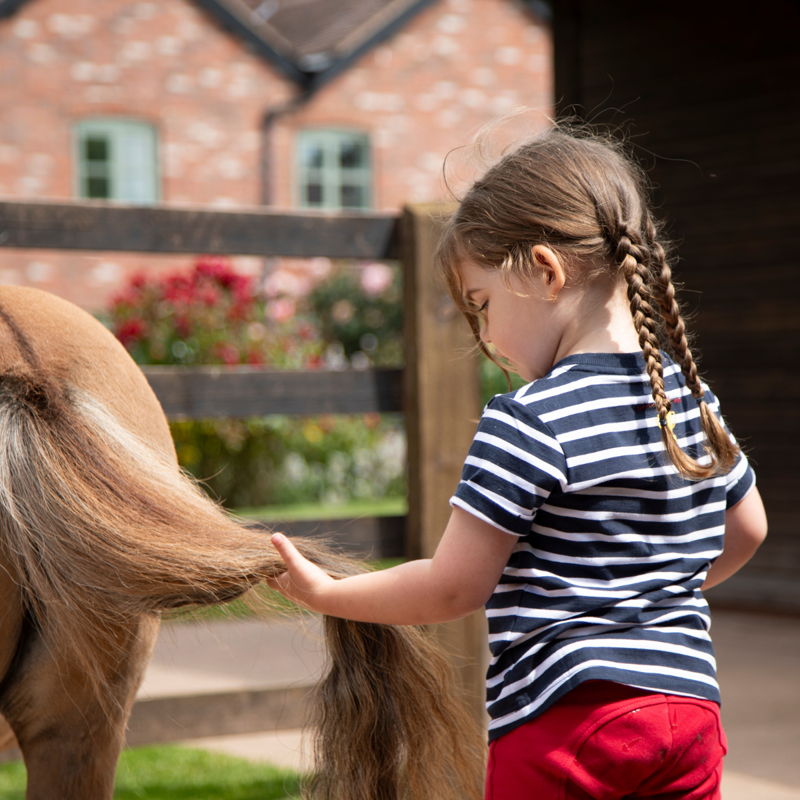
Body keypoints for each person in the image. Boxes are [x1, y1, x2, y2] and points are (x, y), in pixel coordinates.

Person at [267, 124, 768, 799]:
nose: (487, 337)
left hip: (566, 721)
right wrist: (645, 598)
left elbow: (453, 587)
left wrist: (328, 595)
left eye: (482, 304)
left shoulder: (530, 418)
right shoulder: (690, 400)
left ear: (544, 270)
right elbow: (748, 530)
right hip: (689, 717)